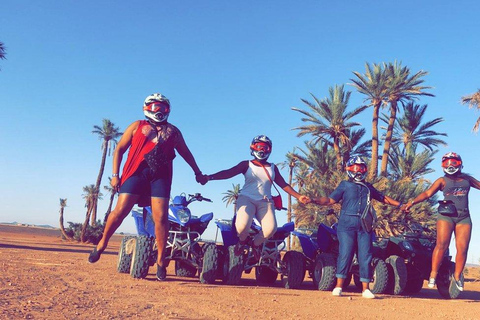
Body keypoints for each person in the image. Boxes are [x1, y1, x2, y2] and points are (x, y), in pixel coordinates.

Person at [88, 93, 205, 281]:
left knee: (160, 217)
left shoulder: (173, 132)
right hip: (136, 173)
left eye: (163, 108)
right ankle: (102, 243)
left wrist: (197, 172)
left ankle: (160, 260)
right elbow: (119, 149)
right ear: (146, 108)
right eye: (155, 107)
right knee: (121, 210)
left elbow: (186, 152)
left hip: (160, 176)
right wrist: (115, 175)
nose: (159, 111)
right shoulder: (137, 126)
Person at [199, 135, 309, 257]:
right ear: (253, 147)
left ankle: (255, 245)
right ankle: (241, 242)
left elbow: (283, 184)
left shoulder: (273, 167)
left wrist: (299, 196)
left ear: (270, 150)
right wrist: (209, 177)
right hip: (246, 199)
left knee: (270, 230)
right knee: (242, 227)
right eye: (259, 146)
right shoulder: (246, 164)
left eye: (265, 148)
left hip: (265, 202)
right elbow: (228, 173)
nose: (262, 150)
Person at [310, 156, 401, 298]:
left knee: (366, 255)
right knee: (346, 253)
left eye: (361, 168)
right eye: (355, 168)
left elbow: (383, 198)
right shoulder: (344, 185)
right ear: (349, 169)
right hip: (346, 225)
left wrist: (400, 205)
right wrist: (313, 200)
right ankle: (339, 286)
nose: (358, 171)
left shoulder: (368, 187)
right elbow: (330, 200)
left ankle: (365, 289)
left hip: (365, 226)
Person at [404, 152, 480, 291]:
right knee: (441, 245)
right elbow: (427, 193)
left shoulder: (467, 179)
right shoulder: (442, 180)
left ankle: (457, 276)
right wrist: (412, 202)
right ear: (443, 166)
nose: (450, 166)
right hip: (446, 216)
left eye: (454, 163)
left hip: (464, 217)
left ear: (460, 164)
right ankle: (433, 274)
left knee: (462, 249)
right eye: (447, 163)